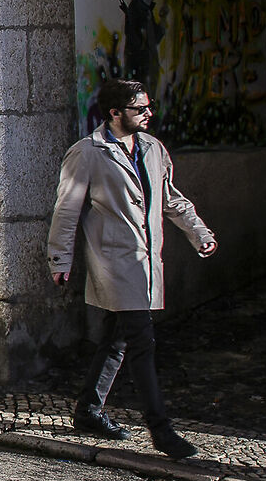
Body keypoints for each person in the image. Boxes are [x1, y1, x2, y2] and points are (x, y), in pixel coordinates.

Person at [46, 79, 216, 460]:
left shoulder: (154, 149)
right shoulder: (87, 153)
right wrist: (60, 258)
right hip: (113, 264)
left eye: (148, 107)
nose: (149, 114)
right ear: (115, 113)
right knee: (142, 342)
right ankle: (161, 430)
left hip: (145, 262)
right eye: (140, 109)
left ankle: (88, 410)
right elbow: (67, 210)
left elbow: (171, 199)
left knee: (117, 338)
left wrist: (199, 232)